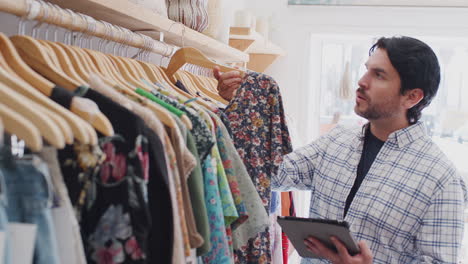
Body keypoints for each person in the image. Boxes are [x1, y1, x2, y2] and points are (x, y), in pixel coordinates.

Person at [214, 36, 468, 264]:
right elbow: (272, 174)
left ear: (412, 97)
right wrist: (242, 109)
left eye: (379, 75)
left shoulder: (441, 179)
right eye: (366, 70)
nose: (362, 82)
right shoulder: (338, 140)